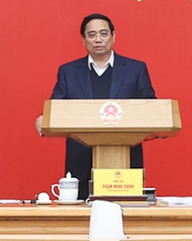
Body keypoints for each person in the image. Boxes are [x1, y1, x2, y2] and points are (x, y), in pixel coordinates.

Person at [35, 12, 157, 199]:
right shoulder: (69, 71)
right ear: (84, 40)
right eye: (91, 35)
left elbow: (151, 108)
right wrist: (45, 118)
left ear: (113, 36)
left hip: (126, 159)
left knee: (126, 211)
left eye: (103, 33)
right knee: (83, 214)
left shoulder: (135, 69)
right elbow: (56, 108)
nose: (98, 39)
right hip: (81, 159)